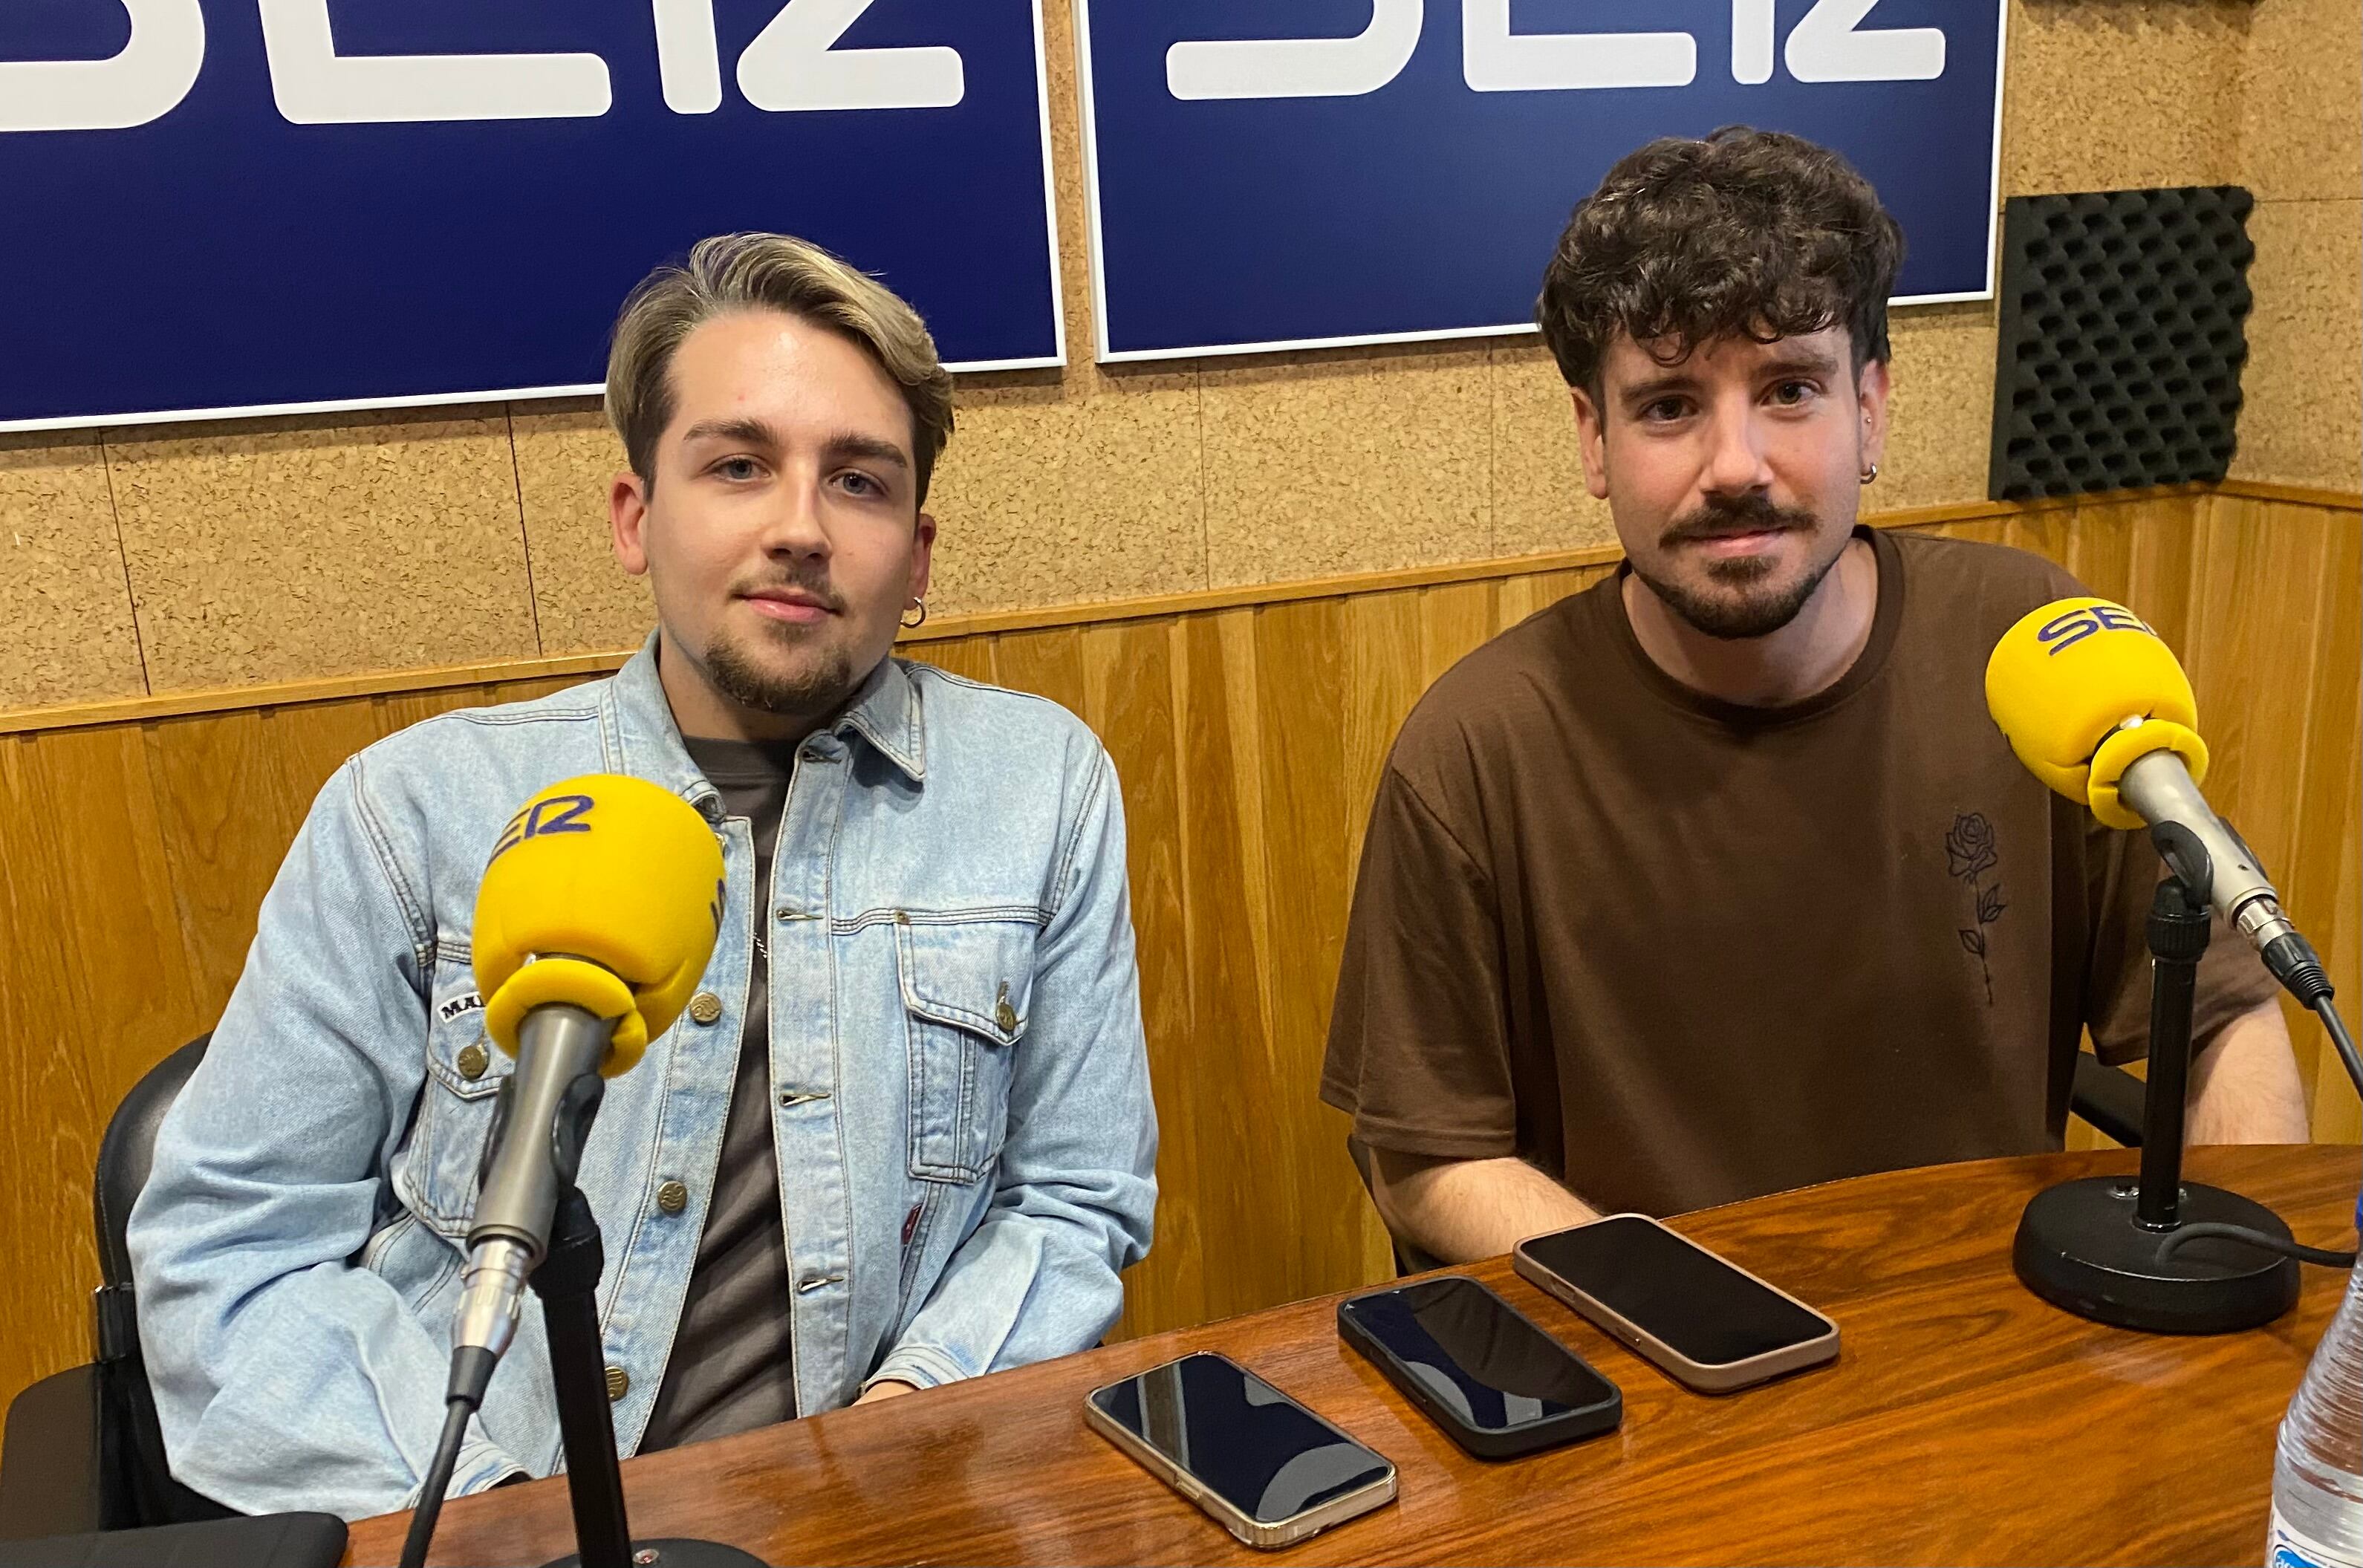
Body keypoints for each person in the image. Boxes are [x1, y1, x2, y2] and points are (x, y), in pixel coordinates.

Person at [128, 234, 1158, 1518]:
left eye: (858, 482)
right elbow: (226, 1256)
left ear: (919, 550)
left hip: (887, 1508)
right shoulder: (417, 810)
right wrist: (514, 1518)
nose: (798, 527)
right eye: (737, 466)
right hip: (490, 1523)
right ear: (636, 518)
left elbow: (1073, 1202)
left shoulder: (1039, 788)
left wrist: (897, 1446)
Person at [1320, 128, 2310, 1266]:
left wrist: (2242, 1300)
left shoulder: (2033, 651)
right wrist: (1694, 1324)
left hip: (2002, 1341)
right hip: (1664, 1364)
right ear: (1593, 440)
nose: (1735, 462)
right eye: (1667, 406)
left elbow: (2227, 1012)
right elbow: (1426, 1155)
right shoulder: (1476, 748)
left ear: (1871, 408)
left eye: (1789, 389)